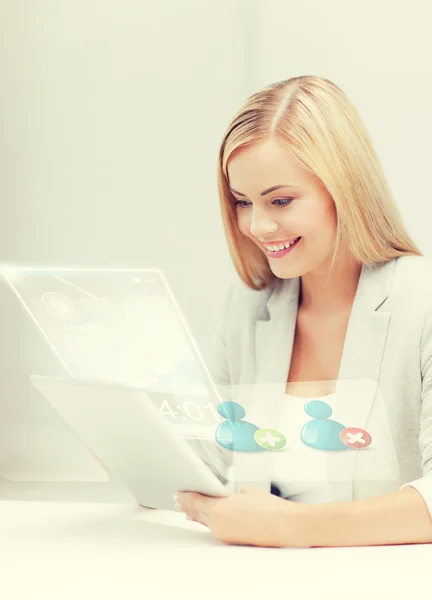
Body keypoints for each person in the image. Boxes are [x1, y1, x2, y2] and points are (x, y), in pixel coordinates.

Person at [175, 75, 432, 548]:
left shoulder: (422, 302)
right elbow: (213, 464)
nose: (257, 225)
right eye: (242, 202)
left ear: (346, 189)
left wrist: (290, 529)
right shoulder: (249, 306)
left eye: (280, 200)